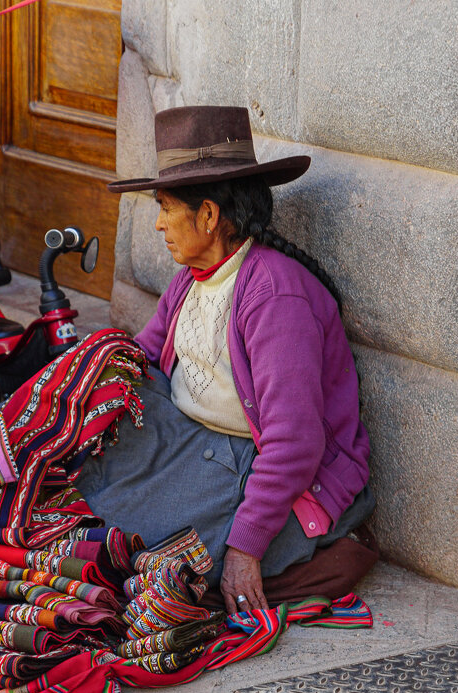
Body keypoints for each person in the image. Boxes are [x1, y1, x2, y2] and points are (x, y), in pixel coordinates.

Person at [75, 105, 374, 613]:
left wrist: (246, 545)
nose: (158, 224)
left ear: (209, 215)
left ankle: (315, 554)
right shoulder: (190, 280)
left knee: (160, 563)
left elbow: (295, 440)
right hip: (196, 443)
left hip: (263, 465)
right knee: (85, 485)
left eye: (167, 207)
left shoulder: (275, 297)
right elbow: (144, 359)